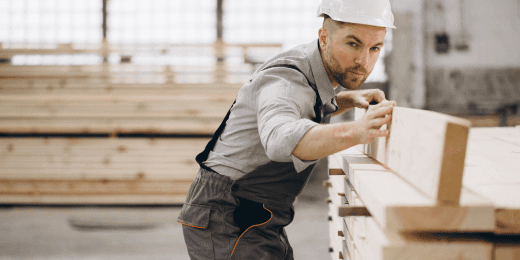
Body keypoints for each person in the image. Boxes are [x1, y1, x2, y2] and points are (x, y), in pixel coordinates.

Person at [178, 0, 397, 259]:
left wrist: (346, 100)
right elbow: (280, 138)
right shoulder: (286, 80)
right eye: (353, 43)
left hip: (255, 215)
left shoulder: (310, 66)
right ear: (324, 38)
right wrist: (358, 131)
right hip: (227, 216)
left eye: (375, 48)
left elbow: (305, 105)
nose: (364, 60)